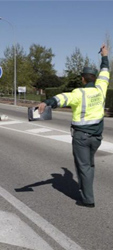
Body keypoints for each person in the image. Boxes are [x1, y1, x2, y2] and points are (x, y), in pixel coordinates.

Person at [38, 44, 109, 208]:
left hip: (81, 137)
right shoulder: (101, 89)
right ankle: (86, 188)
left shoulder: (79, 93)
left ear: (83, 79)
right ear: (95, 78)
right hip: (97, 138)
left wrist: (46, 102)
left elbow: (61, 98)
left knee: (84, 166)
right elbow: (105, 70)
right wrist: (104, 55)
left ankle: (88, 199)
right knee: (89, 165)